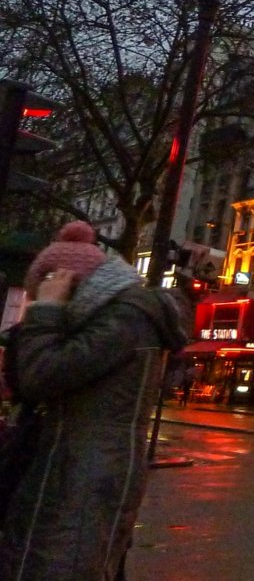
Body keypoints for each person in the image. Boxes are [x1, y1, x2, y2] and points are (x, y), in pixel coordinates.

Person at [0, 220, 191, 581]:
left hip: (83, 475)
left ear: (70, 285)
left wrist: (45, 312)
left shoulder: (123, 320)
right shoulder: (123, 316)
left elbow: (40, 375)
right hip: (78, 467)